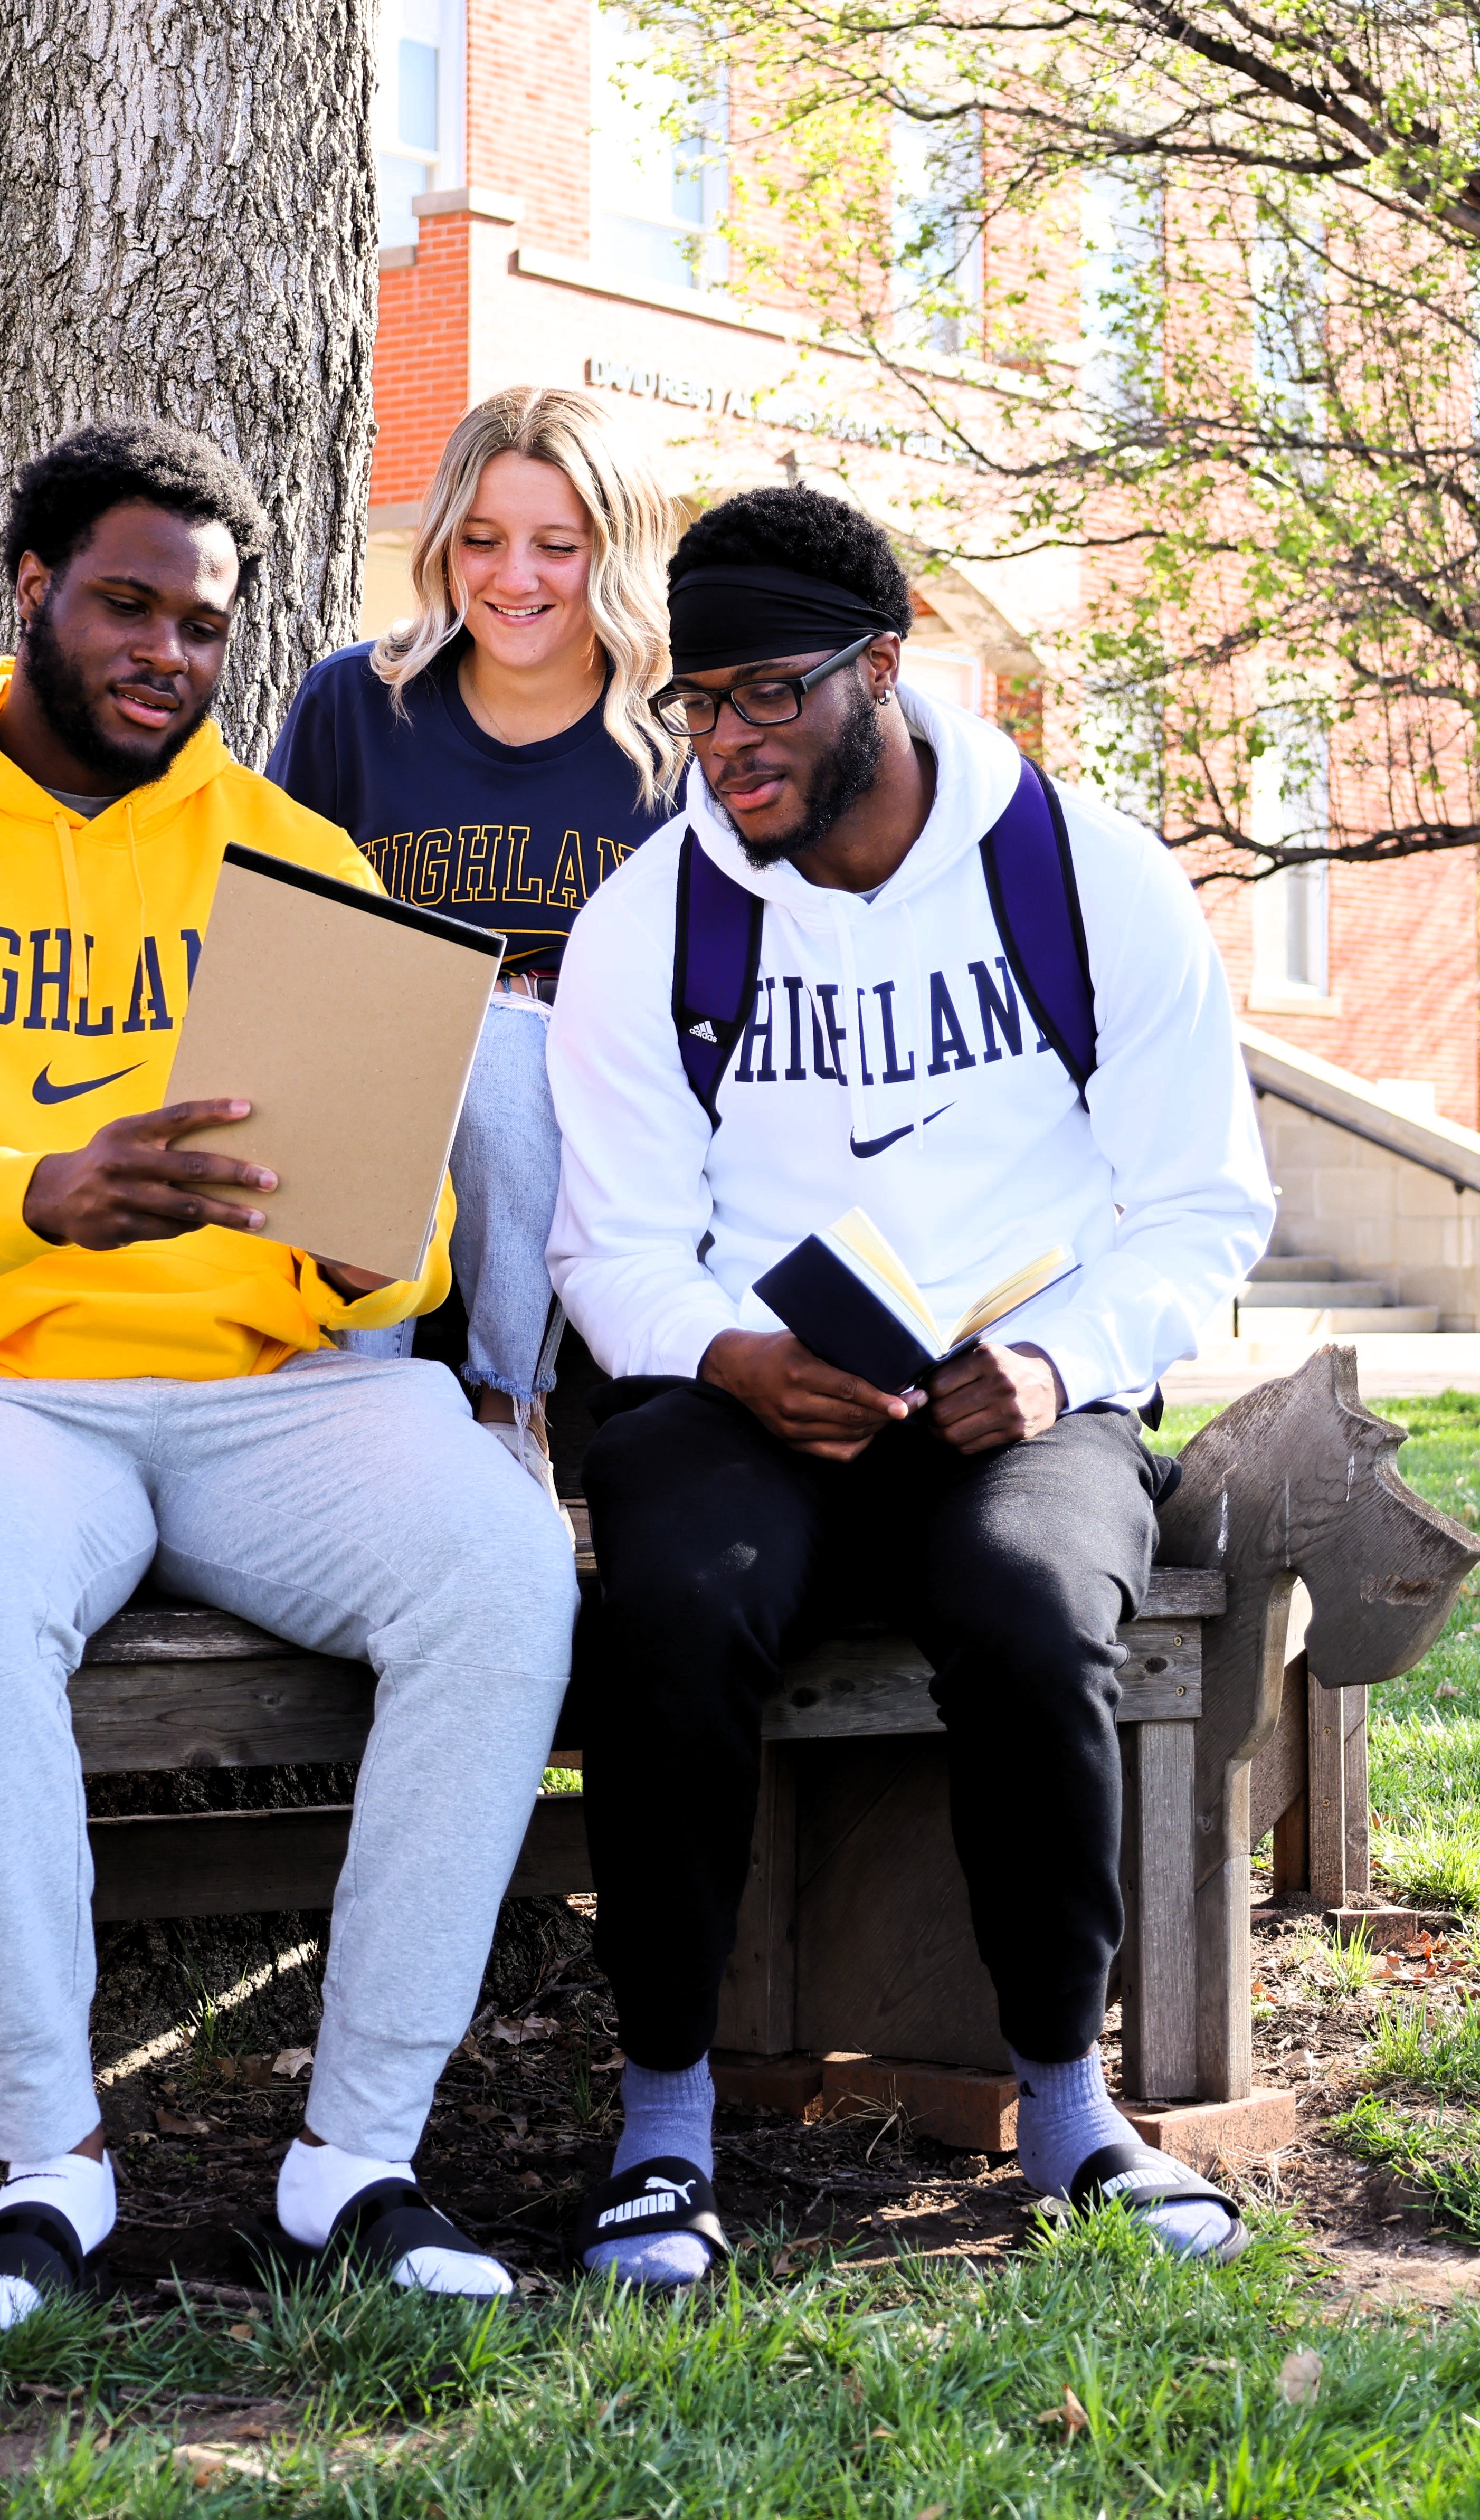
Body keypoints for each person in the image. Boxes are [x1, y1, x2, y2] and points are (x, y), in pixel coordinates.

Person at [0, 419, 576, 2327]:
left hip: (275, 1394)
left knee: (502, 1569)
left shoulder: (293, 854)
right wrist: (49, 1190)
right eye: (127, 605)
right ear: (29, 590)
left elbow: (400, 1231)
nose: (166, 657)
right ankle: (50, 2162)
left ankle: (356, 2149)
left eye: (201, 626)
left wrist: (392, 1245)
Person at [545, 486, 1278, 2286]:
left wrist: (1051, 1363)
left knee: (1031, 1612)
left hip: (1015, 1393)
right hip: (746, 1392)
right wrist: (731, 1356)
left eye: (766, 695)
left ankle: (1066, 2096)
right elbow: (605, 1243)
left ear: (883, 666)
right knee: (668, 1612)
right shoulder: (656, 921)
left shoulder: (1082, 876)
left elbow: (1203, 1205)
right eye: (693, 702)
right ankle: (660, 2128)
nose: (725, 743)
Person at [265, 387, 684, 1473]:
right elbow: (282, 952)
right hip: (367, 1113)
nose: (513, 578)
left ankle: (510, 1409)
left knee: (508, 1049)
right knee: (449, 1039)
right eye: (483, 540)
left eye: (557, 545)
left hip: (585, 1128)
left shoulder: (679, 745)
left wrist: (529, 1016)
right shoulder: (355, 703)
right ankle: (351, 1391)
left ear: (618, 551)